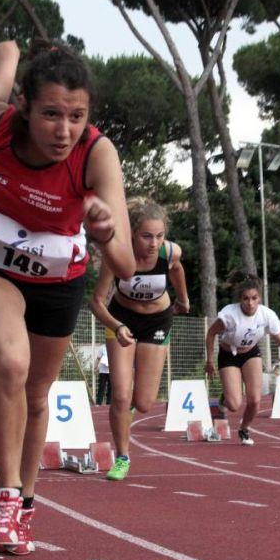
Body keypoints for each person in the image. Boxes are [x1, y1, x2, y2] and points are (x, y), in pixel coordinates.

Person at [0, 39, 134, 554]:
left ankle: (23, 507)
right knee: (11, 361)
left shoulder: (96, 154)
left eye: (77, 116)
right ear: (23, 105)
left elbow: (128, 265)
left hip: (60, 283)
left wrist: (106, 231)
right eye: (50, 114)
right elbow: (5, 48)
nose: (64, 131)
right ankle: (5, 494)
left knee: (38, 394)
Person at [91, 198, 188, 479]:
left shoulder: (169, 253)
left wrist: (183, 299)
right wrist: (117, 325)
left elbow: (178, 270)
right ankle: (122, 457)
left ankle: (130, 408)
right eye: (147, 236)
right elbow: (96, 302)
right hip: (123, 320)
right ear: (133, 234)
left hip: (158, 321)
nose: (154, 243)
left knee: (144, 403)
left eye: (159, 236)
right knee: (120, 395)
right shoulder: (118, 256)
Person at [206, 275, 280, 445]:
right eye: (246, 299)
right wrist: (209, 361)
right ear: (240, 299)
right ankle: (225, 398)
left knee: (255, 400)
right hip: (229, 354)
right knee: (234, 404)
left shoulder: (267, 315)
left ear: (259, 298)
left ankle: (244, 429)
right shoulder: (229, 315)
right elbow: (211, 333)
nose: (250, 303)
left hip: (251, 353)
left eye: (254, 298)